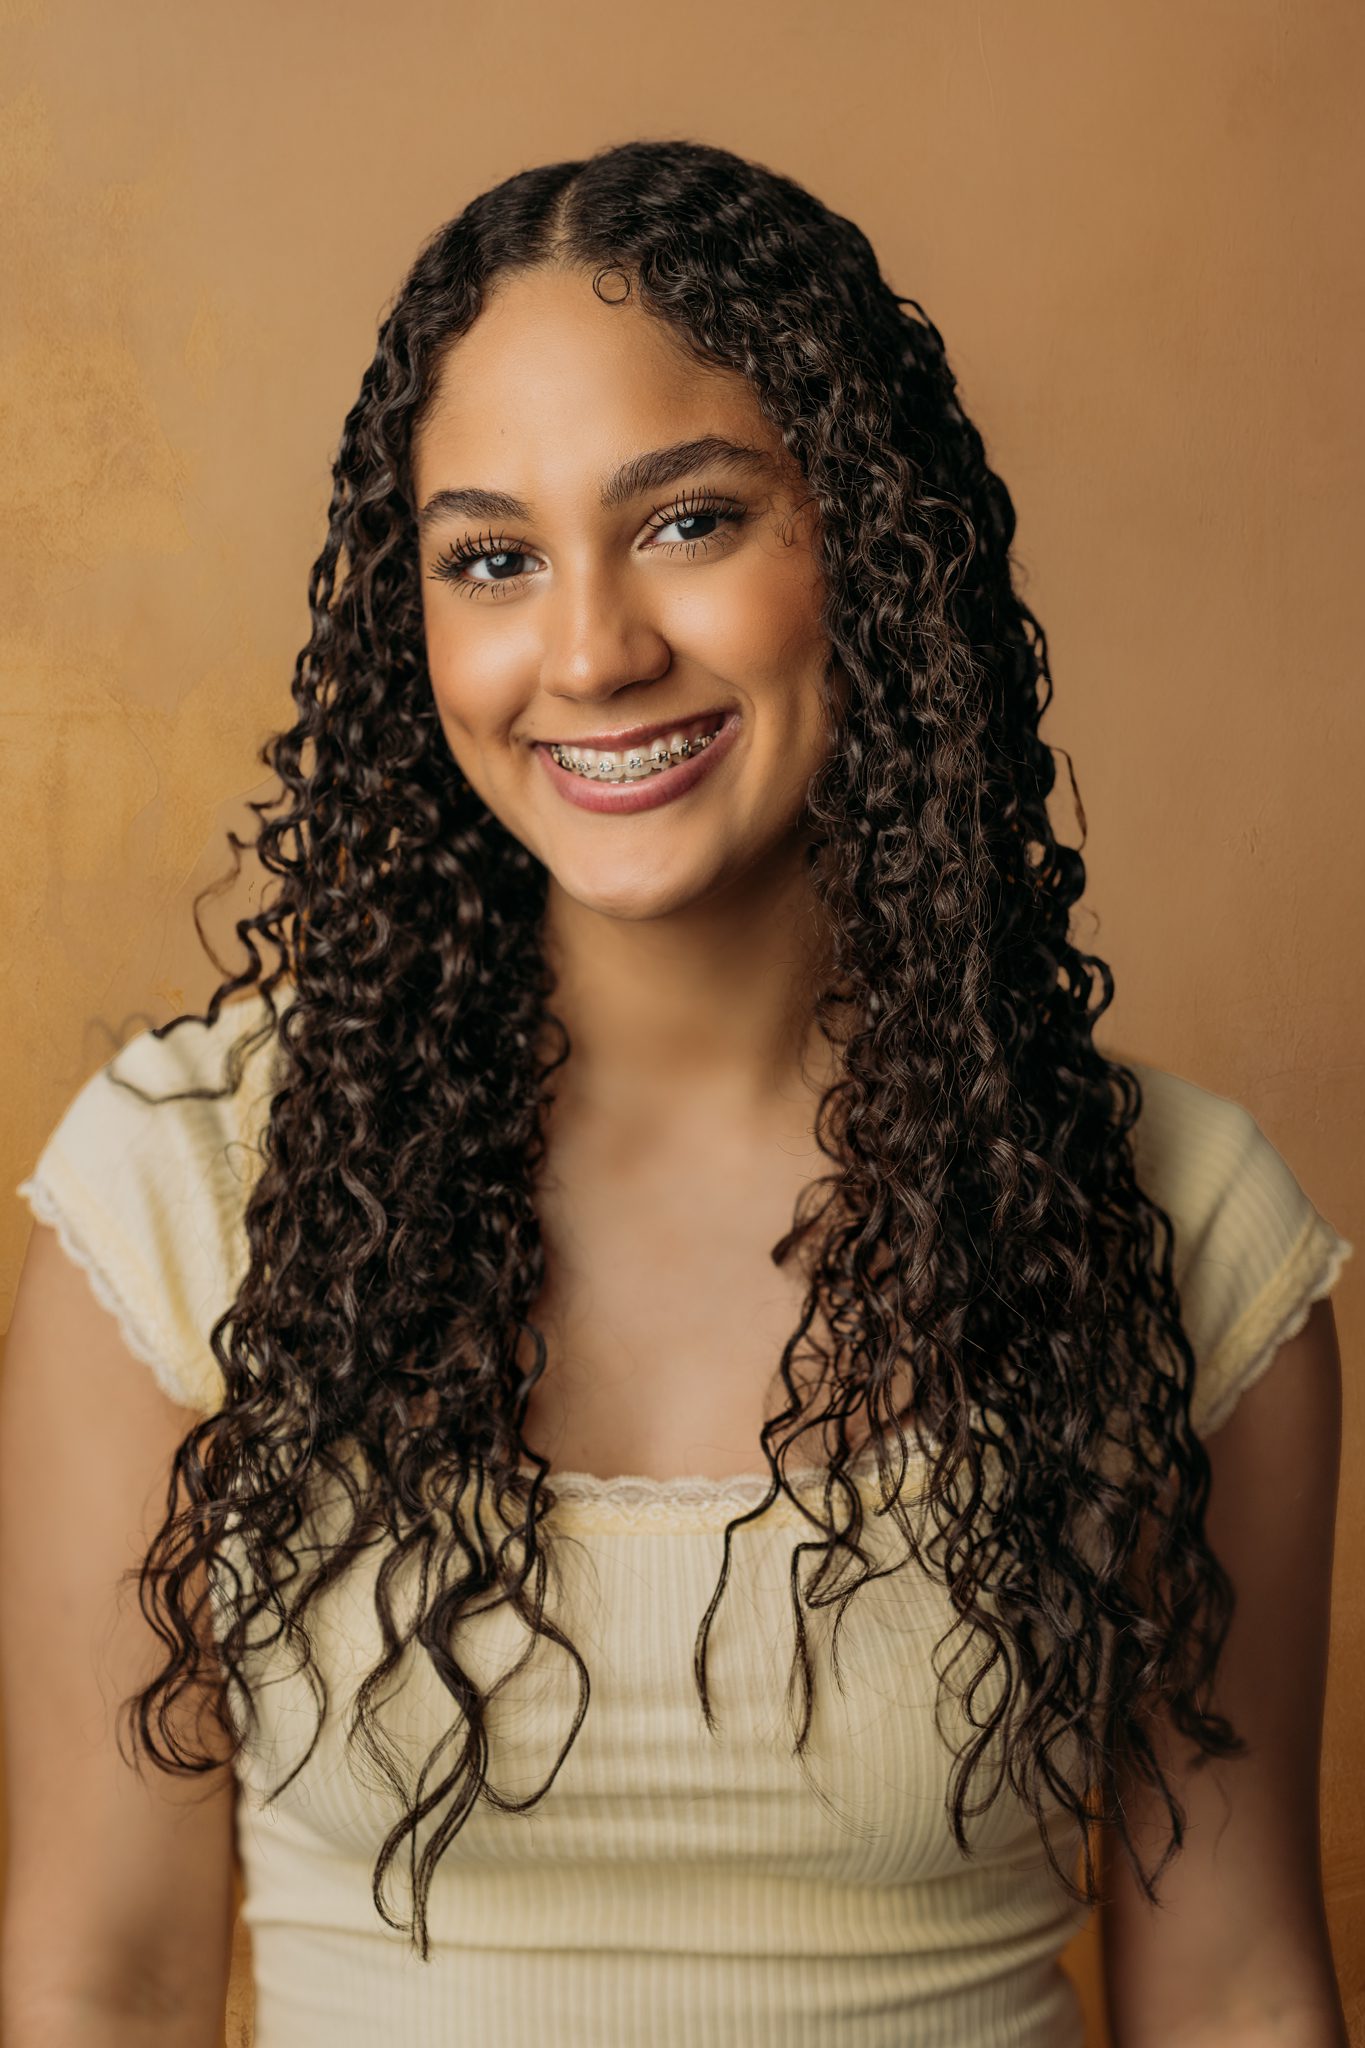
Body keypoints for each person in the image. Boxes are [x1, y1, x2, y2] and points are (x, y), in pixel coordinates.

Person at [0, 137, 1354, 2048]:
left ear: (870, 546)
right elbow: (101, 1987)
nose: (589, 651)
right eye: (491, 558)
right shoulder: (186, 1189)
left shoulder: (1172, 1227)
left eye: (688, 521)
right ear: (419, 628)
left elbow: (1229, 1995)